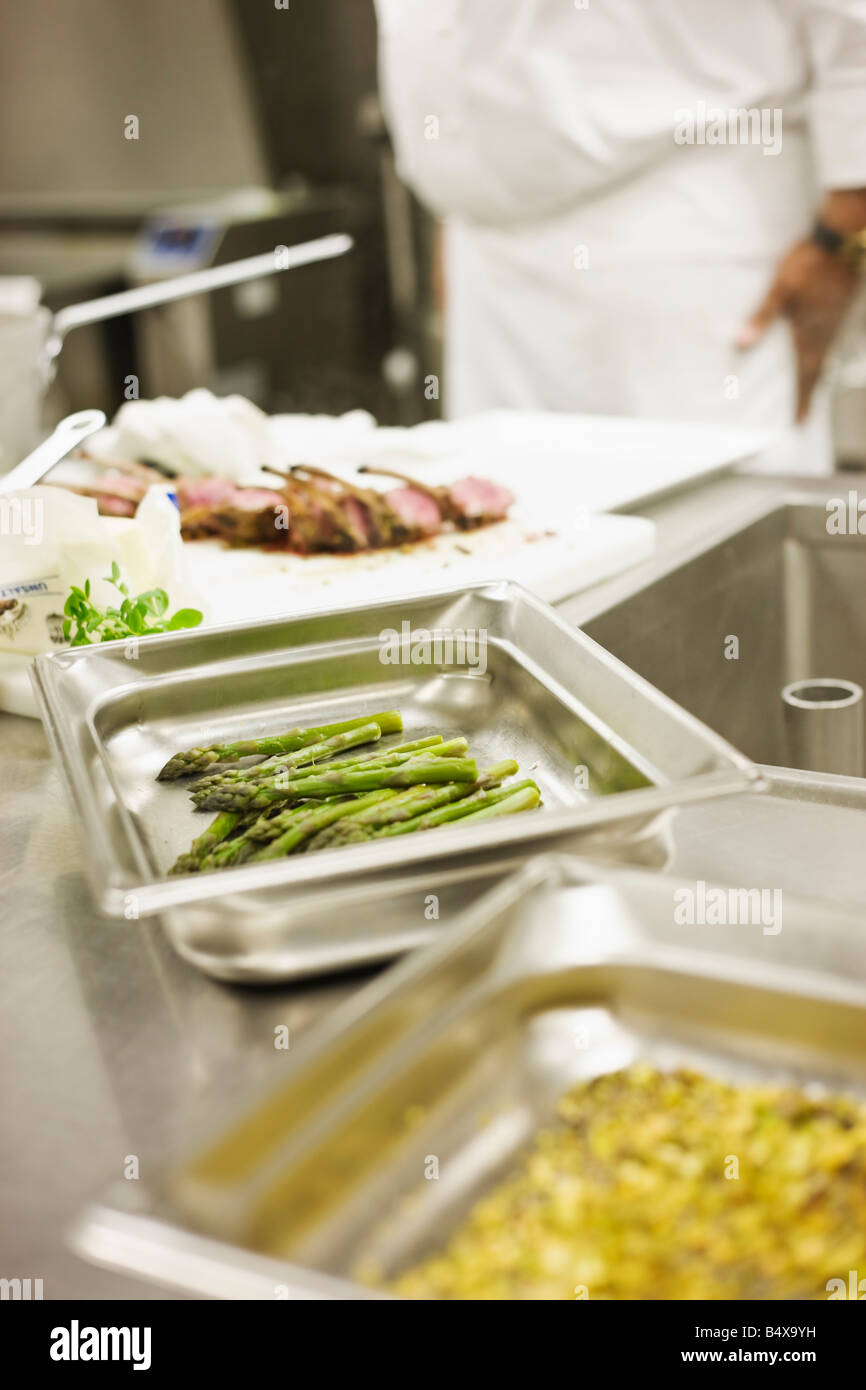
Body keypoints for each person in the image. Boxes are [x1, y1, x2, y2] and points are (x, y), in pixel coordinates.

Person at [375, 0, 866, 471]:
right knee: (497, 533)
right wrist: (458, 205)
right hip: (485, 268)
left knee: (706, 527)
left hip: (683, 231)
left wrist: (844, 237)